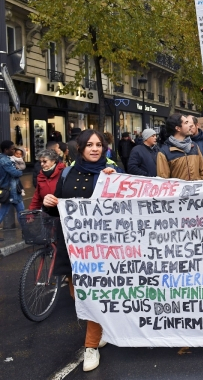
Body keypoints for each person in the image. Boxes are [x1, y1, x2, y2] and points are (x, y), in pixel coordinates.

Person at [42, 130, 117, 371]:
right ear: (81, 148)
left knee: (91, 295)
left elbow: (127, 209)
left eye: (99, 145)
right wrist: (50, 204)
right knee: (78, 295)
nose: (95, 149)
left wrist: (115, 182)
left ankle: (91, 347)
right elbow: (61, 208)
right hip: (72, 245)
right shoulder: (67, 172)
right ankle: (102, 327)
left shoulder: (113, 172)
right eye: (89, 145)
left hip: (102, 247)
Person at [156, 114, 203, 181]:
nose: (190, 125)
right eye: (186, 123)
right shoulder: (164, 152)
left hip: (196, 190)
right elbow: (164, 181)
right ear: (178, 128)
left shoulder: (194, 146)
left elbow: (202, 171)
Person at [0, 140, 25, 240]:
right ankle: (26, 232)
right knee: (18, 212)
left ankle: (26, 231)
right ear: (6, 150)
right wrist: (19, 171)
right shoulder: (5, 160)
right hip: (10, 190)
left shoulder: (4, 158)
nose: (14, 150)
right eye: (12, 149)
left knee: (21, 211)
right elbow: (15, 173)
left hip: (11, 190)